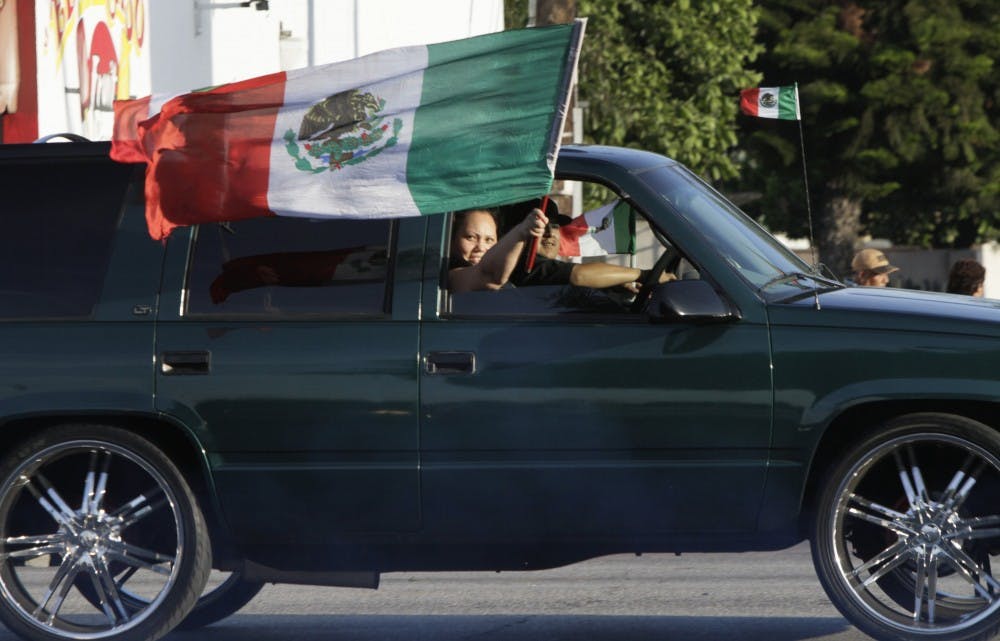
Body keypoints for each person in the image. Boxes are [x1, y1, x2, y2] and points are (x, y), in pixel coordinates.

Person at [510, 217, 675, 290]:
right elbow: (579, 276)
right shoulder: (528, 266)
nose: (549, 233)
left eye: (553, 226)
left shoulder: (547, 269)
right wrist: (643, 275)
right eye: (540, 226)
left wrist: (614, 286)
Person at [448, 207, 548, 293]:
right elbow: (489, 275)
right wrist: (521, 232)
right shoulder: (452, 278)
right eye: (470, 237)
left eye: (489, 240)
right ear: (452, 240)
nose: (481, 247)